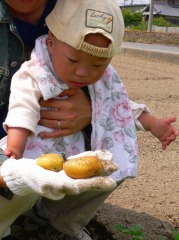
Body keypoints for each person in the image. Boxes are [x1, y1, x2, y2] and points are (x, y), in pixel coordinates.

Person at [0, 0, 178, 240]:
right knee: (19, 181)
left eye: (97, 65)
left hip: (73, 150)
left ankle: (61, 221)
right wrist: (15, 148)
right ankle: (7, 223)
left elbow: (118, 105)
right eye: (73, 61)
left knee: (106, 167)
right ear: (50, 43)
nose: (84, 73)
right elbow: (22, 108)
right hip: (32, 148)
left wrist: (152, 123)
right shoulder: (36, 70)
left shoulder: (78, 15)